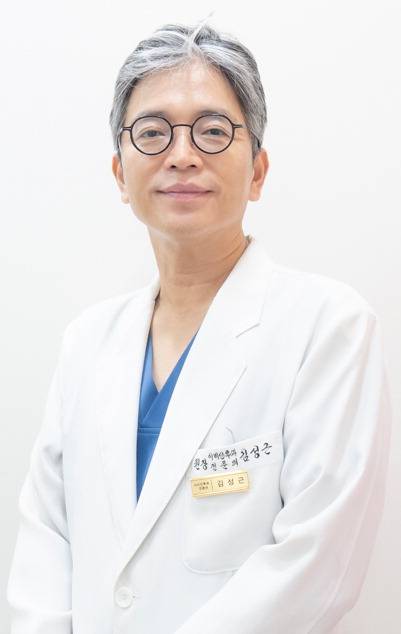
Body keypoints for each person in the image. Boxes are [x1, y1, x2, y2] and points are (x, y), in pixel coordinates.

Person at [7, 19, 392, 634]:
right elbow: (45, 552)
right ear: (120, 174)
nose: (182, 155)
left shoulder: (328, 328)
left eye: (213, 131)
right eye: (152, 132)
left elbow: (317, 567)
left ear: (258, 171)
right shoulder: (86, 343)